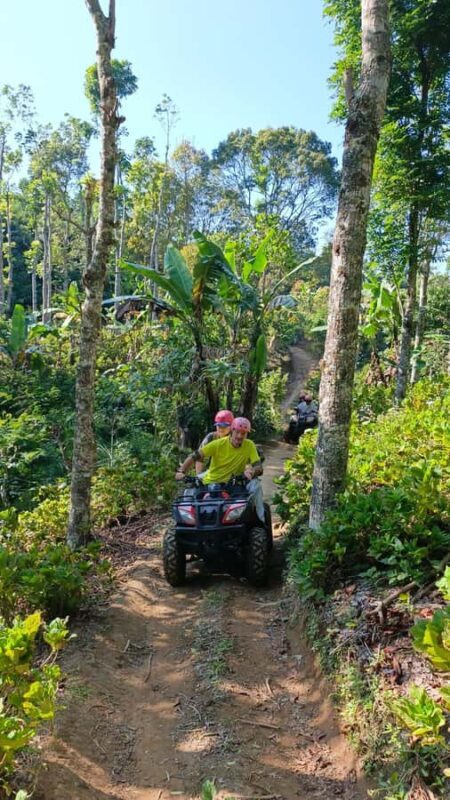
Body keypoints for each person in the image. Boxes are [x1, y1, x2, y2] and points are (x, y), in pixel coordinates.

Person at [176, 417, 265, 524]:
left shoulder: (249, 445)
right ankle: (185, 529)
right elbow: (195, 456)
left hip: (234, 484)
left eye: (244, 433)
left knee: (249, 504)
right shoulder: (218, 444)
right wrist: (182, 471)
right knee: (188, 502)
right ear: (232, 430)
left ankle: (261, 521)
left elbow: (258, 467)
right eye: (237, 432)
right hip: (209, 483)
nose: (240, 436)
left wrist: (252, 472)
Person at [195, 409, 234, 475]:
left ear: (231, 426)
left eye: (224, 426)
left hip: (231, 473)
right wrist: (198, 476)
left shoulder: (235, 439)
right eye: (219, 426)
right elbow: (199, 457)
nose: (221, 428)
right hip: (212, 473)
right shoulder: (211, 437)